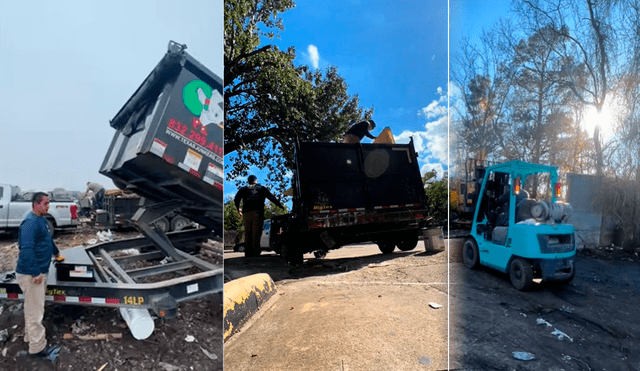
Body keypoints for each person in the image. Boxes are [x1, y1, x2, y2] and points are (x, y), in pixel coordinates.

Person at [16, 192, 64, 358]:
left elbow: (47, 240)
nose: (48, 207)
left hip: (37, 271)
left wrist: (57, 253)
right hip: (31, 274)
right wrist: (35, 272)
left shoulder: (41, 220)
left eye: (48, 204)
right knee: (35, 312)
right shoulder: (30, 223)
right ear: (35, 204)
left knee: (32, 308)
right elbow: (26, 250)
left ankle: (30, 338)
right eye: (45, 204)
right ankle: (37, 349)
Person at [234, 175, 284, 257]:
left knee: (248, 232)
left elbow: (237, 198)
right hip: (257, 213)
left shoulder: (244, 188)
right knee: (256, 232)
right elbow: (271, 197)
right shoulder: (261, 188)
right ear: (256, 181)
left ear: (248, 181)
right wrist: (279, 205)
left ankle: (248, 252)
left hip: (247, 213)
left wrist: (237, 208)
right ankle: (255, 251)